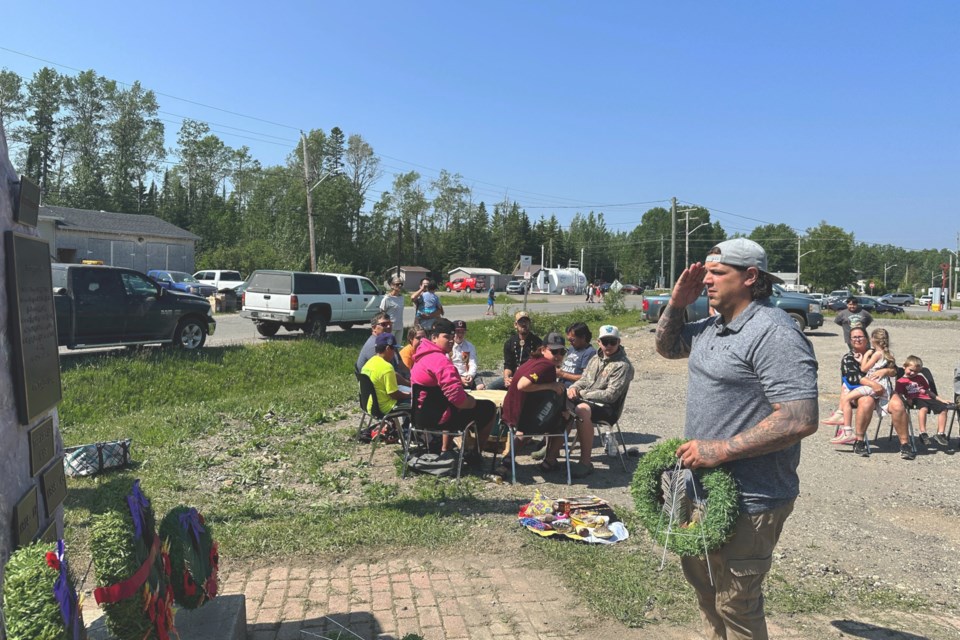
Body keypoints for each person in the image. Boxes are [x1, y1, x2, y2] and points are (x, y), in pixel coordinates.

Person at [655, 237, 818, 640]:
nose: (706, 280)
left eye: (717, 272)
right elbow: (666, 346)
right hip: (700, 489)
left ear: (750, 277)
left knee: (736, 603)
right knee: (706, 591)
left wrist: (720, 449)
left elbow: (800, 419)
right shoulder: (713, 327)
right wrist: (677, 302)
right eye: (705, 272)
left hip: (752, 497)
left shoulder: (773, 333)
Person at [410, 318, 496, 458]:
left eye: (452, 337)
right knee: (489, 408)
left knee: (452, 406)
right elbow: (459, 400)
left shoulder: (421, 356)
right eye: (446, 337)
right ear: (434, 338)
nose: (451, 340)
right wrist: (472, 401)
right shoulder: (441, 361)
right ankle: (475, 454)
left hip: (418, 416)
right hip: (437, 419)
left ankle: (446, 449)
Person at [565, 325, 634, 478]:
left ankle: (585, 462)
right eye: (605, 341)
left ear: (619, 342)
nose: (608, 345)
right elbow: (583, 380)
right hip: (588, 400)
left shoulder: (623, 366)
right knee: (562, 401)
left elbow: (610, 395)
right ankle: (552, 450)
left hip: (609, 408)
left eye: (612, 342)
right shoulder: (595, 358)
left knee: (581, 409)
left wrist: (582, 393)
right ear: (598, 342)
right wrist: (574, 388)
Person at [498, 333, 570, 478]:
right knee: (568, 418)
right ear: (543, 349)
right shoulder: (546, 366)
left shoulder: (533, 361)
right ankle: (549, 461)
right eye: (554, 351)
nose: (558, 355)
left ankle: (508, 459)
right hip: (523, 419)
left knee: (544, 417)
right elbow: (522, 385)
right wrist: (551, 385)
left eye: (562, 352)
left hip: (511, 413)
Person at [897, 355, 953, 447]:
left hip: (926, 397)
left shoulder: (920, 378)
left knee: (944, 409)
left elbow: (928, 392)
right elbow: (899, 394)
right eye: (911, 370)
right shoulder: (901, 381)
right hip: (915, 398)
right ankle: (923, 433)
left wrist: (941, 399)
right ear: (904, 366)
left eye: (916, 371)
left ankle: (940, 434)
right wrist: (905, 400)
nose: (913, 373)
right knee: (924, 408)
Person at [360, 333, 410, 415]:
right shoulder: (387, 368)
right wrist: (410, 395)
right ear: (387, 348)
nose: (394, 352)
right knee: (417, 402)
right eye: (394, 349)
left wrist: (408, 383)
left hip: (370, 406)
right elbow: (394, 395)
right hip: (386, 407)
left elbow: (394, 376)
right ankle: (406, 427)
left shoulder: (368, 363)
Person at [356, 312, 410, 383]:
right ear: (374, 328)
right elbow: (389, 374)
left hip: (393, 379)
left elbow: (400, 364)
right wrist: (410, 384)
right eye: (384, 324)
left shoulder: (388, 340)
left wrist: (412, 376)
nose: (388, 326)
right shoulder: (374, 347)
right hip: (381, 387)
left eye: (389, 323)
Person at [558, 322, 596, 388]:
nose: (570, 343)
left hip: (573, 388)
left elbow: (586, 378)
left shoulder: (589, 352)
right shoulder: (572, 348)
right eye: (568, 340)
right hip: (561, 384)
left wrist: (562, 374)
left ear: (583, 337)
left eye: (572, 340)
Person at [451, 320, 481, 389]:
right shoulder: (448, 346)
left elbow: (473, 363)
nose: (460, 335)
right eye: (457, 332)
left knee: (480, 387)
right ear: (452, 333)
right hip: (454, 375)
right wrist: (459, 378)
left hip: (467, 373)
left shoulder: (470, 346)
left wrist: (470, 375)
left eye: (463, 332)